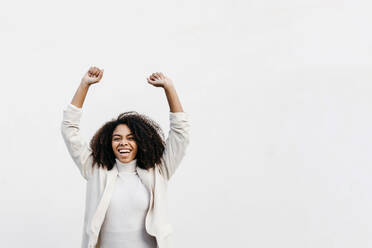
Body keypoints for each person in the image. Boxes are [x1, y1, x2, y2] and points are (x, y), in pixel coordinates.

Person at [60, 66, 190, 248]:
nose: (123, 143)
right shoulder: (95, 170)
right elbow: (69, 128)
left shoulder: (159, 171)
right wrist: (84, 85)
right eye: (117, 138)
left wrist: (169, 88)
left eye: (131, 138)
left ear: (141, 142)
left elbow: (180, 134)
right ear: (108, 142)